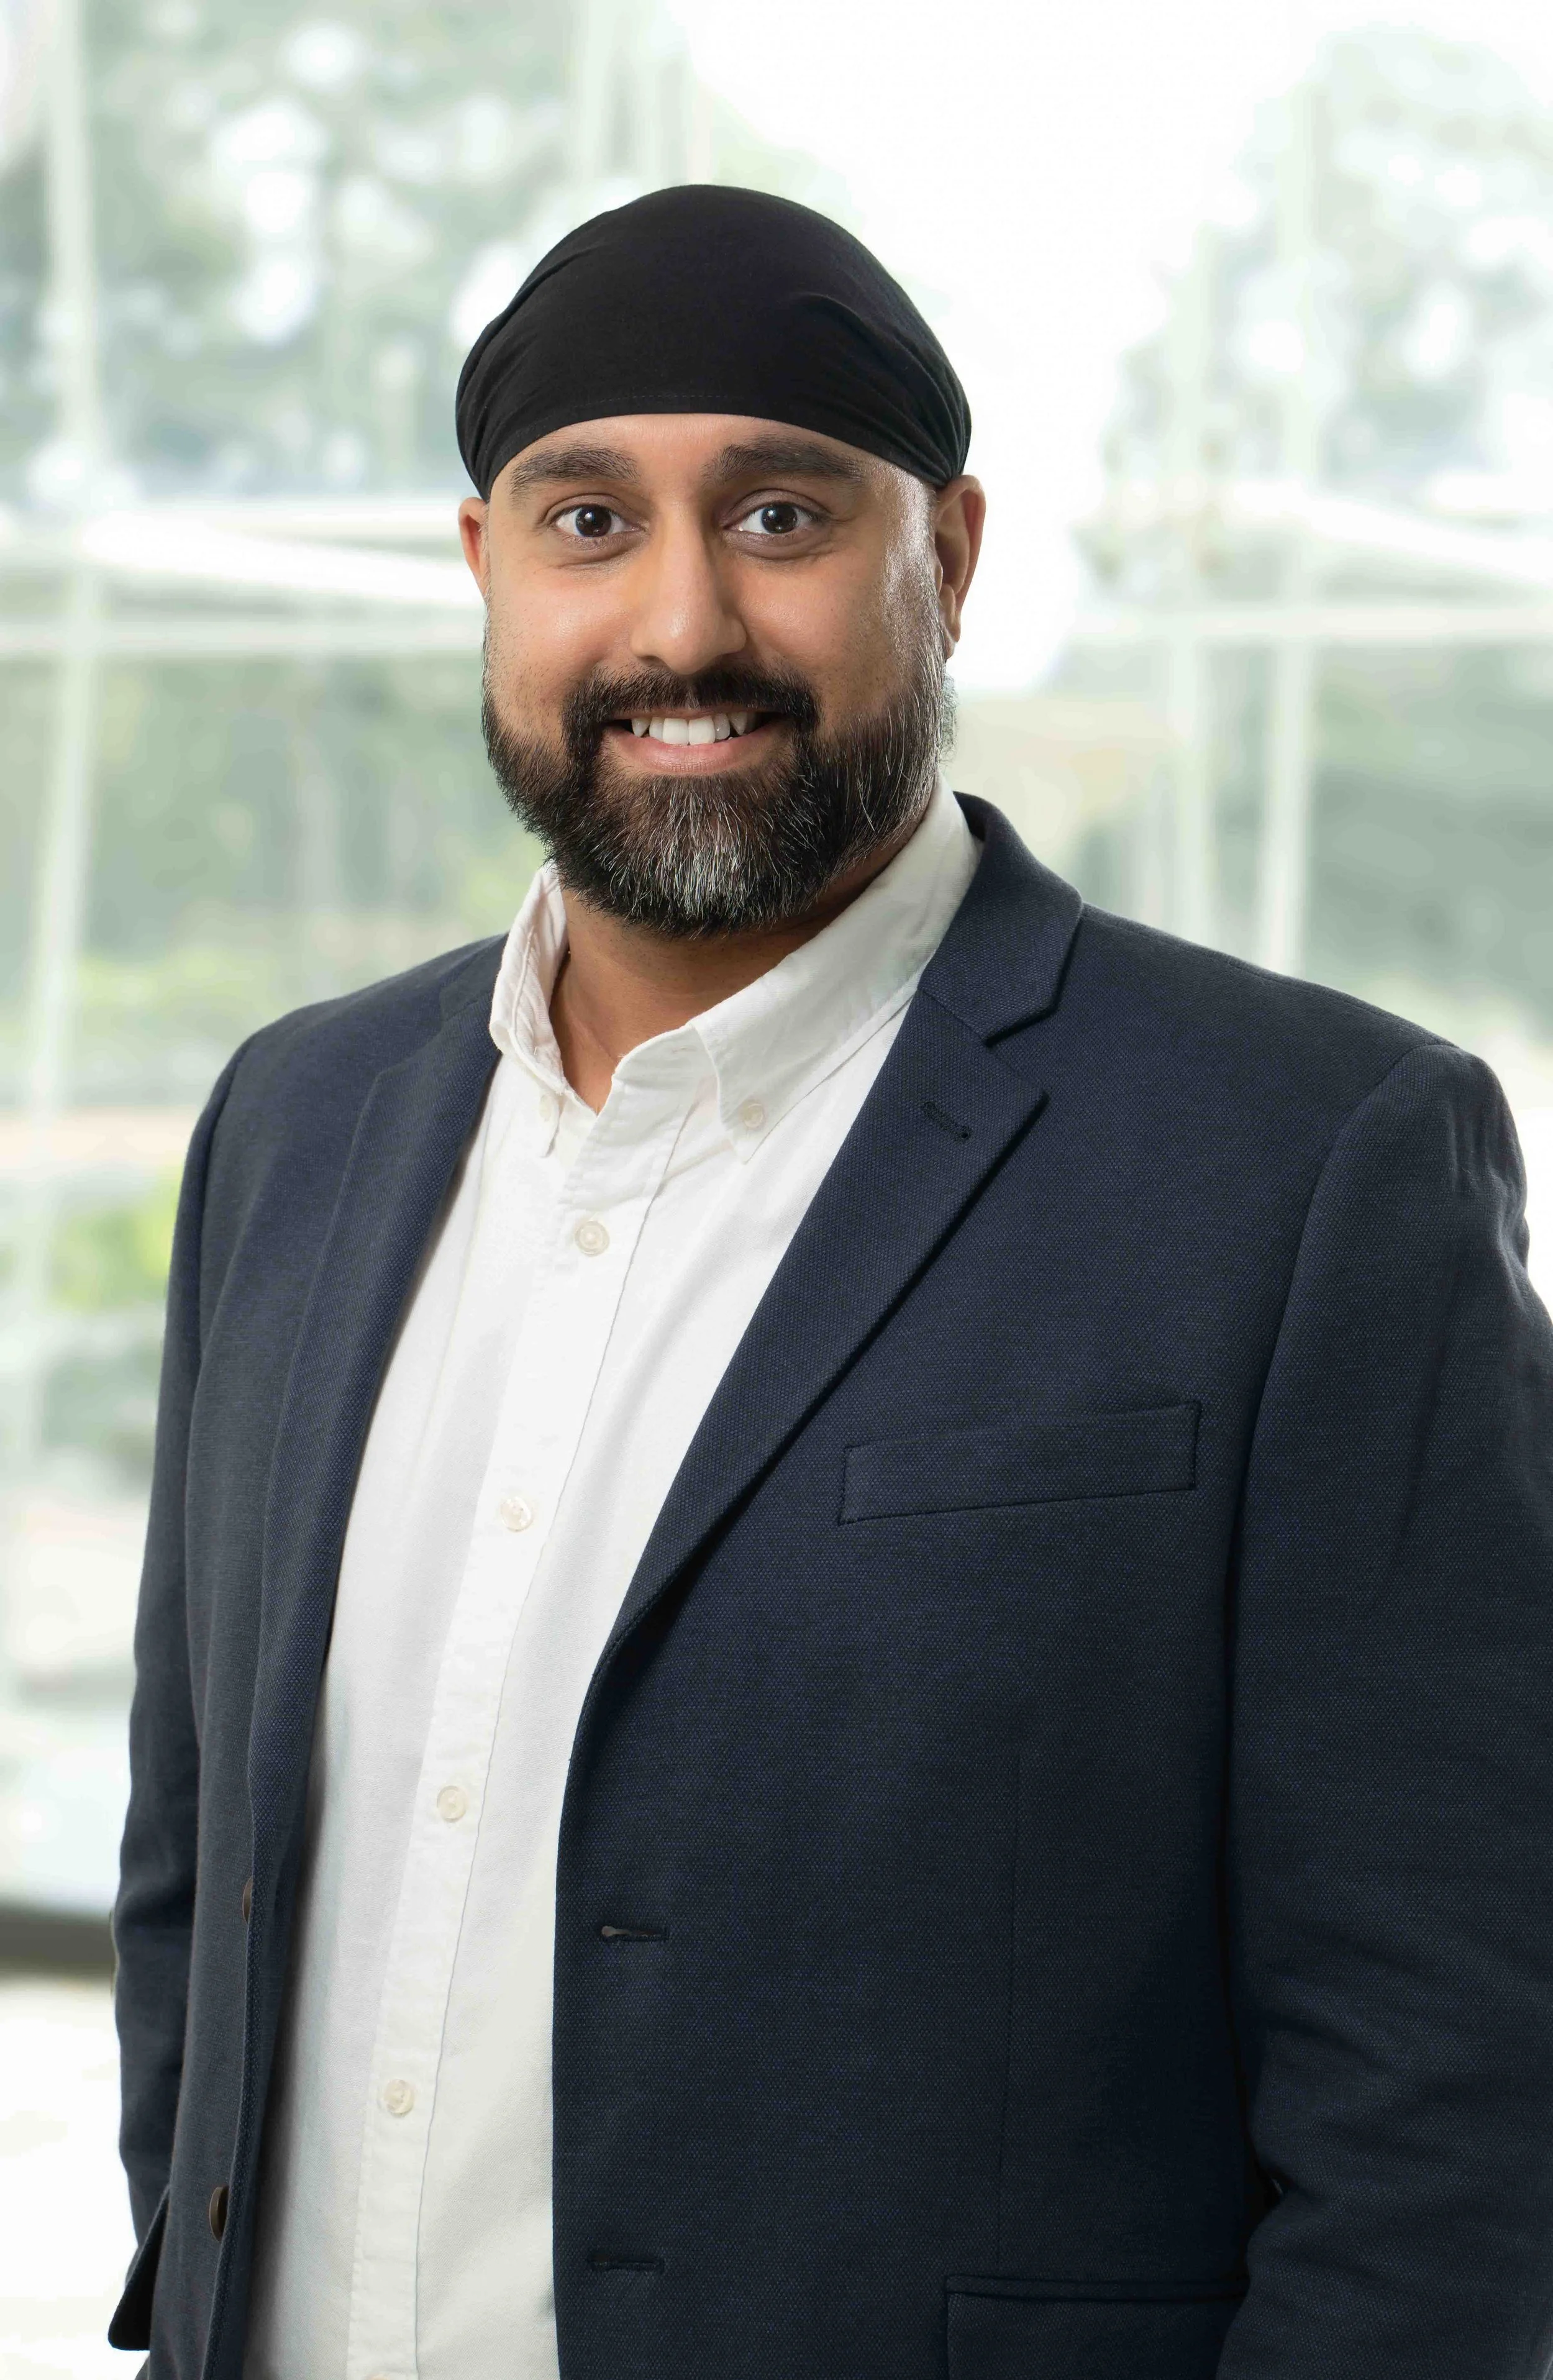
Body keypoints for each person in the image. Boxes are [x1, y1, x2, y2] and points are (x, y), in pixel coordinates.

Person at [110, 185, 1553, 2380]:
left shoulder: (1305, 1162)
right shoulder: (293, 1127)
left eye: (779, 514)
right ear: (483, 565)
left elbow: (1454, 2073)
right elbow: (195, 1872)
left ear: (945, 560)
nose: (679, 624)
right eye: (586, 519)